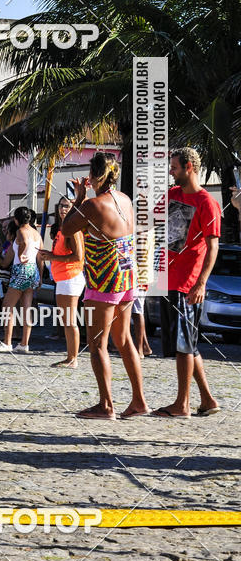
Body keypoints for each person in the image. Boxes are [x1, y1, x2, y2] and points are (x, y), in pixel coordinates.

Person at [61, 152, 149, 420]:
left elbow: (66, 228)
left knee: (97, 343)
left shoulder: (92, 205)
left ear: (94, 174)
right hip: (127, 276)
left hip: (105, 278)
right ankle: (139, 401)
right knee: (123, 341)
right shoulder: (125, 199)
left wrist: (78, 198)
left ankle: (106, 405)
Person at [152, 148, 220, 418]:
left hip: (188, 283)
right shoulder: (172, 195)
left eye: (174, 167)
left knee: (184, 345)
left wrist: (201, 283)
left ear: (189, 167)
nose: (171, 171)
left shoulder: (207, 202)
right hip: (169, 278)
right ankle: (207, 399)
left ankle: (182, 405)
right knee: (187, 344)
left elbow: (213, 247)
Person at [37, 196, 85, 367]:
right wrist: (49, 254)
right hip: (63, 278)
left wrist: (51, 256)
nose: (62, 209)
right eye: (60, 206)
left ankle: (73, 359)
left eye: (67, 206)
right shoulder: (62, 229)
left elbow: (78, 257)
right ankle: (70, 357)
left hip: (70, 277)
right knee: (66, 320)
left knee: (70, 321)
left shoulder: (72, 230)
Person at [0, 206, 41, 354]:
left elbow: (24, 243)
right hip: (33, 270)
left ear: (16, 219)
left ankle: (7, 342)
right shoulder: (36, 234)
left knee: (7, 305)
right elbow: (40, 257)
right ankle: (24, 343)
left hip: (21, 270)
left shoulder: (21, 231)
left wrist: (20, 255)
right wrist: (40, 276)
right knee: (27, 307)